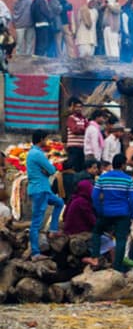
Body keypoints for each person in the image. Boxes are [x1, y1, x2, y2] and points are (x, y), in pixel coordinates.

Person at [84, 153, 133, 271]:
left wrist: (99, 210)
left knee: (97, 232)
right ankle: (117, 267)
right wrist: (132, 215)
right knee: (121, 239)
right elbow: (132, 200)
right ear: (123, 165)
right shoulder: (128, 180)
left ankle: (95, 257)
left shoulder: (103, 178)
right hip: (123, 213)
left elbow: (95, 196)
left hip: (106, 212)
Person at [27, 130, 64, 261]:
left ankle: (53, 229)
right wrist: (47, 170)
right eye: (45, 139)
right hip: (40, 190)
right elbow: (52, 169)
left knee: (59, 203)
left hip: (42, 189)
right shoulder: (37, 153)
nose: (46, 141)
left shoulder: (32, 153)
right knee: (36, 223)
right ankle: (35, 253)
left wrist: (45, 171)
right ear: (41, 139)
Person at [64, 97, 88, 171]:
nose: (79, 109)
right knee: (72, 166)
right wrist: (83, 129)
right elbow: (74, 130)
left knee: (81, 167)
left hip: (82, 147)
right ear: (73, 108)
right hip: (73, 147)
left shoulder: (85, 119)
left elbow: (88, 130)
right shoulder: (71, 118)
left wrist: (80, 129)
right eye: (77, 107)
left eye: (80, 107)